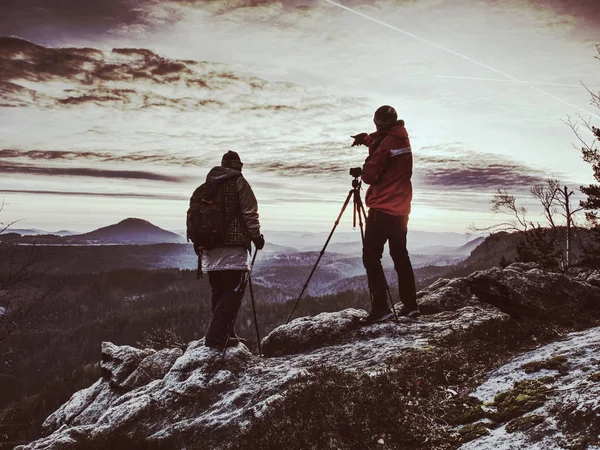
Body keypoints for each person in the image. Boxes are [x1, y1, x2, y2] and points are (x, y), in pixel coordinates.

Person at [351, 105, 420, 323]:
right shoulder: (401, 138)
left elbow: (370, 175)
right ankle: (410, 306)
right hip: (401, 210)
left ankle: (381, 308)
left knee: (371, 257)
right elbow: (383, 145)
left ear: (377, 122)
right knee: (400, 256)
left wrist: (364, 166)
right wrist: (367, 139)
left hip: (382, 209)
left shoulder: (385, 143)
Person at [200, 151, 264, 349]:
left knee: (218, 291)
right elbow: (249, 212)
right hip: (232, 246)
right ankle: (216, 336)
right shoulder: (239, 183)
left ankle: (226, 332)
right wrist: (256, 237)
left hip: (209, 248)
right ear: (237, 166)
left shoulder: (207, 186)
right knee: (233, 292)